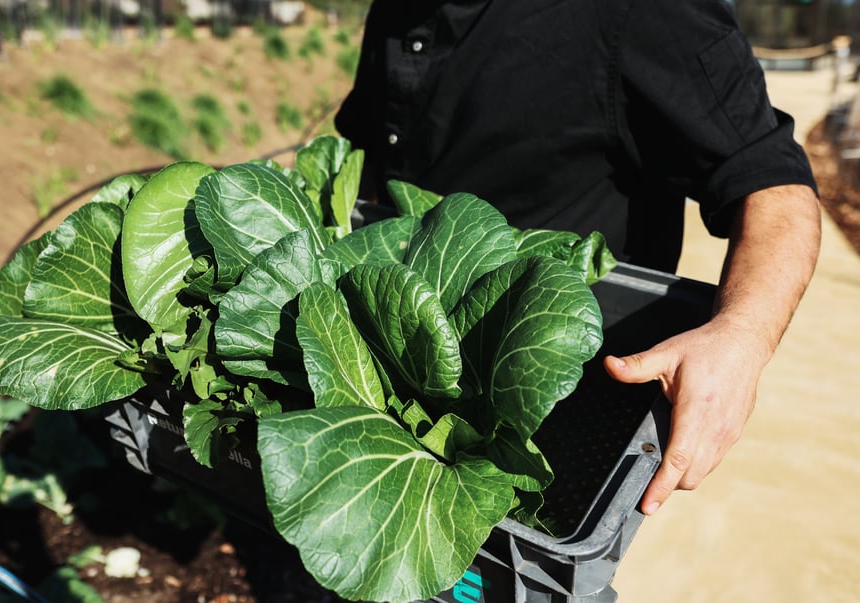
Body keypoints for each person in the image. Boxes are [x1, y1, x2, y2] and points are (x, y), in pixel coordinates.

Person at [333, 0, 822, 516]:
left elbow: (776, 185)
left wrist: (741, 337)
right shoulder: (395, 10)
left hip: (571, 399)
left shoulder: (643, 11)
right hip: (398, 362)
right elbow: (371, 152)